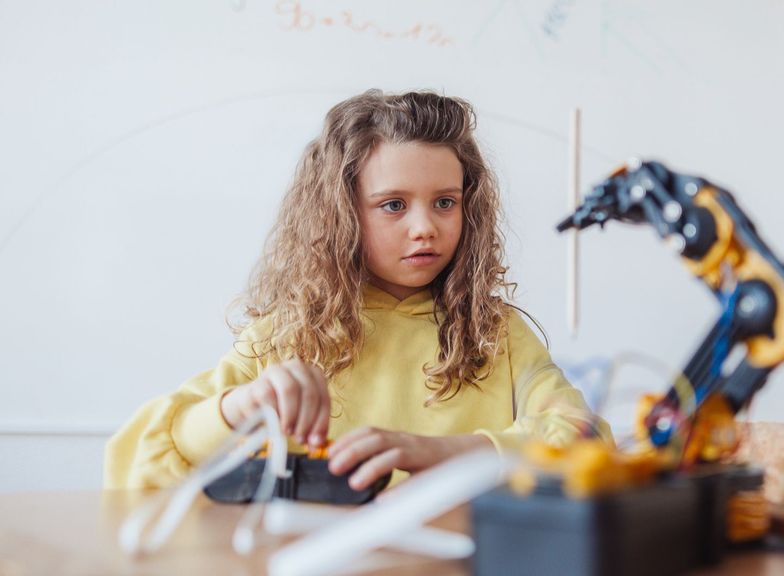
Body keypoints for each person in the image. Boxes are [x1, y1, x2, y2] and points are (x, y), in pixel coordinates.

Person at [104, 89, 609, 491]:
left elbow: (587, 441)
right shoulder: (283, 336)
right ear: (340, 214)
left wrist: (438, 452)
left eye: (445, 203)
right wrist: (239, 406)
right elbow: (145, 464)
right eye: (393, 205)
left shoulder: (497, 333)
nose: (424, 228)